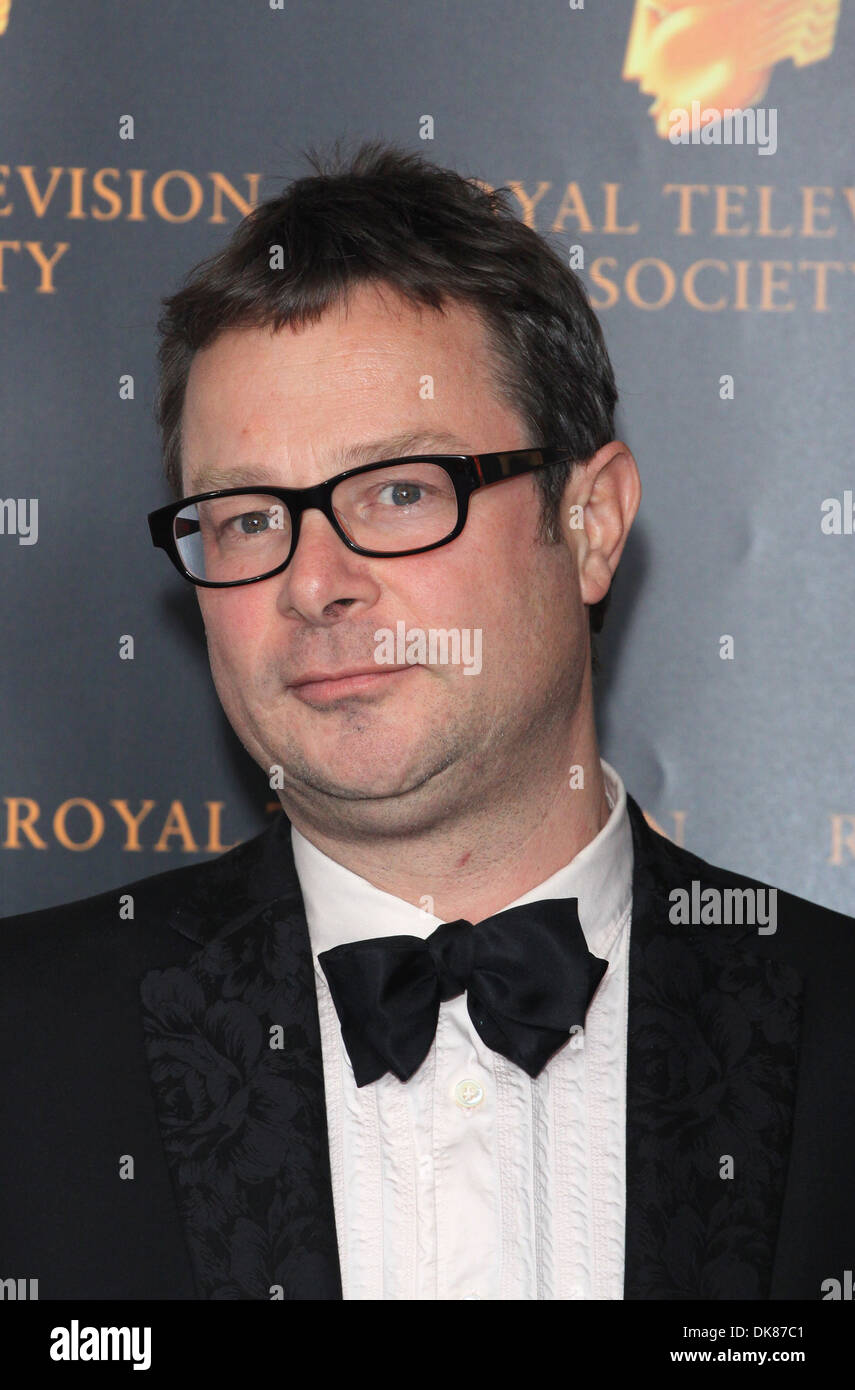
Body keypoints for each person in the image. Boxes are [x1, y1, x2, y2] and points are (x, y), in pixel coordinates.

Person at [2, 140, 853, 1301]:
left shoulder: (834, 1035)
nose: (314, 581)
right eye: (248, 519)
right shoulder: (24, 1050)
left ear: (591, 522)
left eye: (400, 491)